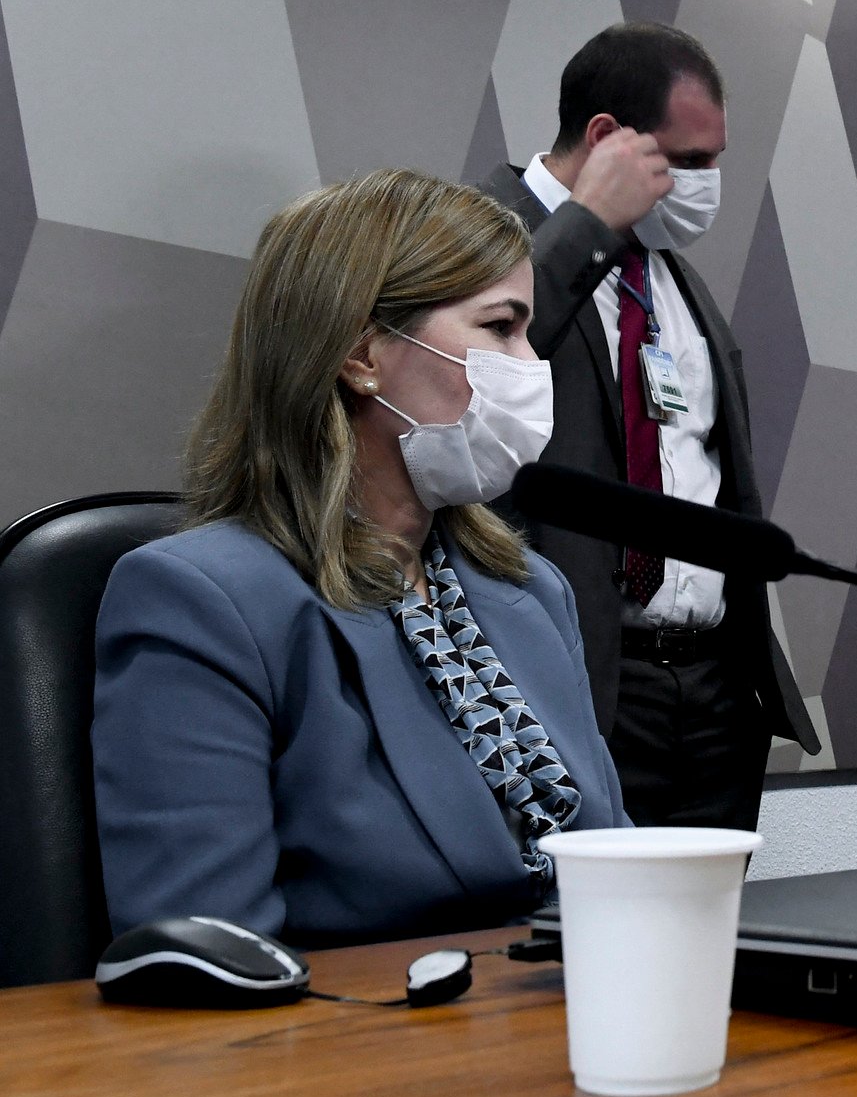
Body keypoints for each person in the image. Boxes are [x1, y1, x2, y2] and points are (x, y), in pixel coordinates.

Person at [94, 170, 629, 946]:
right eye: (501, 327)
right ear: (361, 355)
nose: (528, 362)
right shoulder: (201, 601)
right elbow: (207, 954)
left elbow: (620, 861)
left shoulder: (531, 589)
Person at [478, 22, 818, 833]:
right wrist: (588, 223)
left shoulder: (671, 279)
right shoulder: (473, 235)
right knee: (575, 951)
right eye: (690, 161)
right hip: (576, 682)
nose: (707, 185)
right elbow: (473, 378)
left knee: (713, 948)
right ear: (605, 138)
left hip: (713, 695)